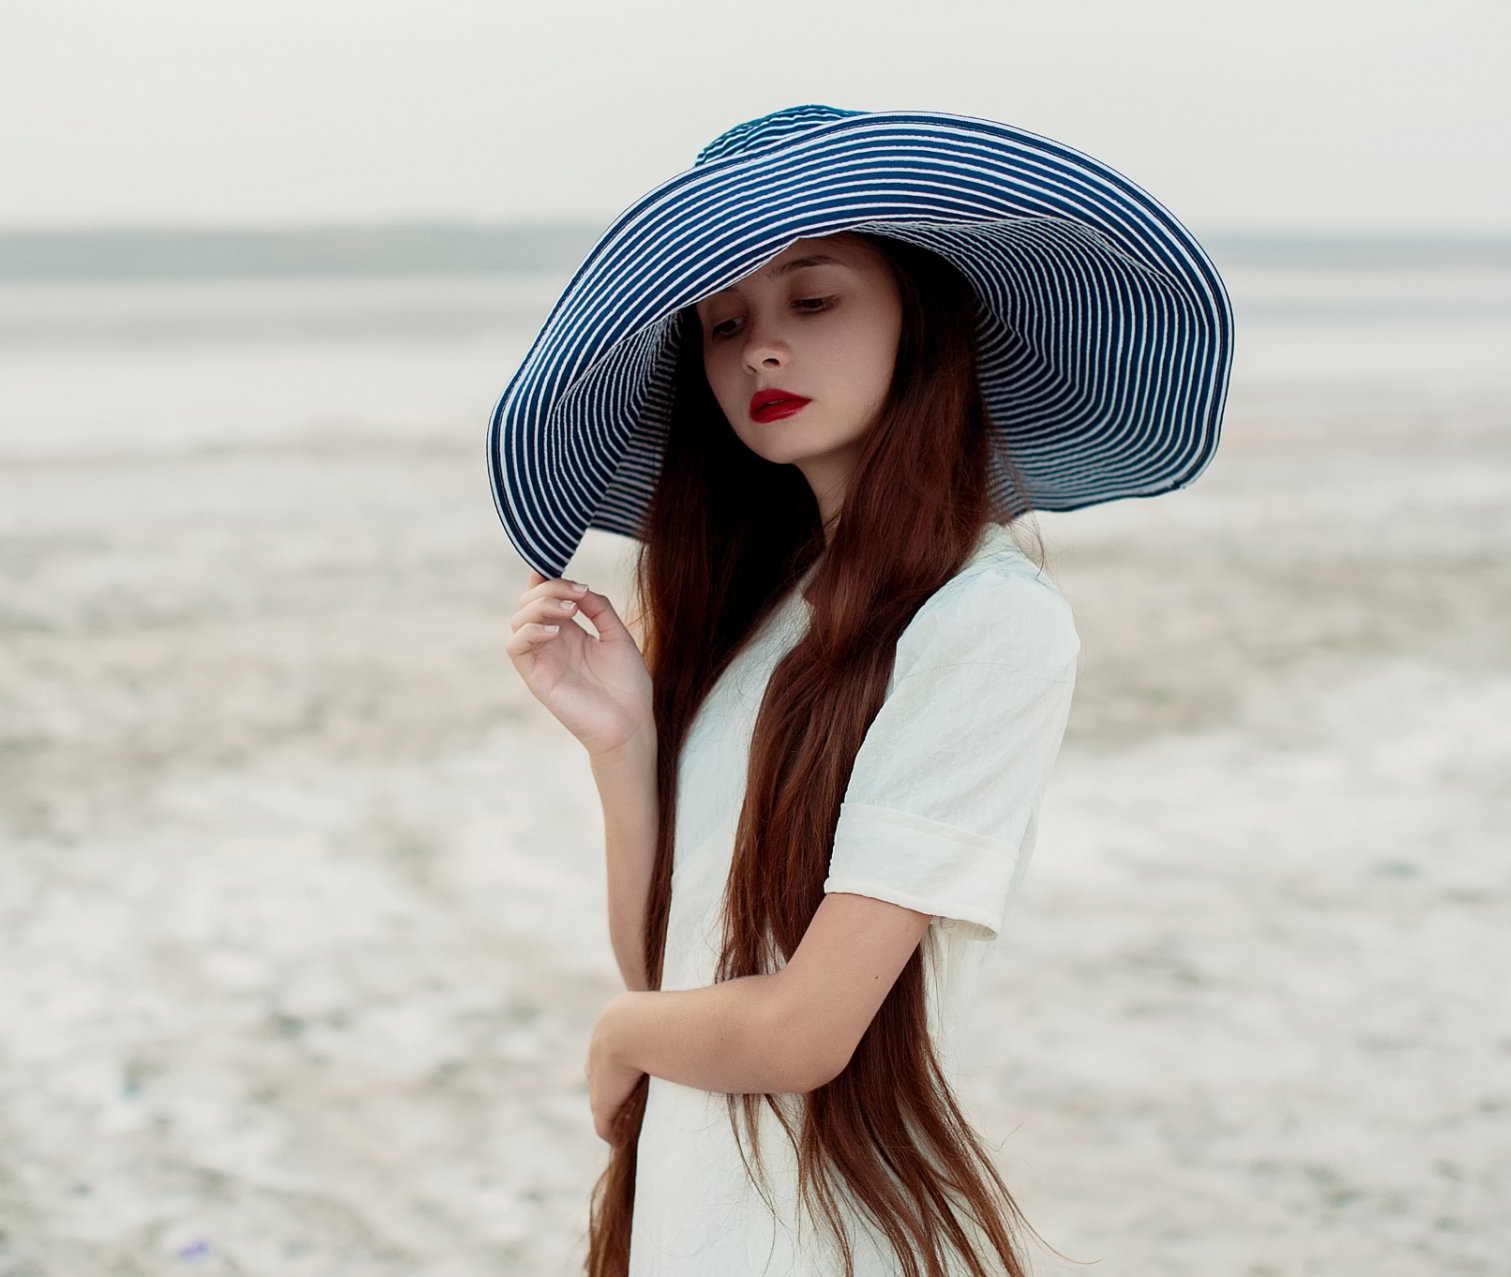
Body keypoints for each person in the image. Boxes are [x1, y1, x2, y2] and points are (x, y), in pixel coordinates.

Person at [491, 105, 1233, 1277]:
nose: (758, 350)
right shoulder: (763, 613)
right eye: (722, 321)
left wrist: (617, 1033)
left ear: (917, 319)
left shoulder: (987, 621)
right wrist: (623, 744)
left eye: (813, 298)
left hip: (820, 1236)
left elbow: (801, 1030)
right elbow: (680, 974)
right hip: (695, 1219)